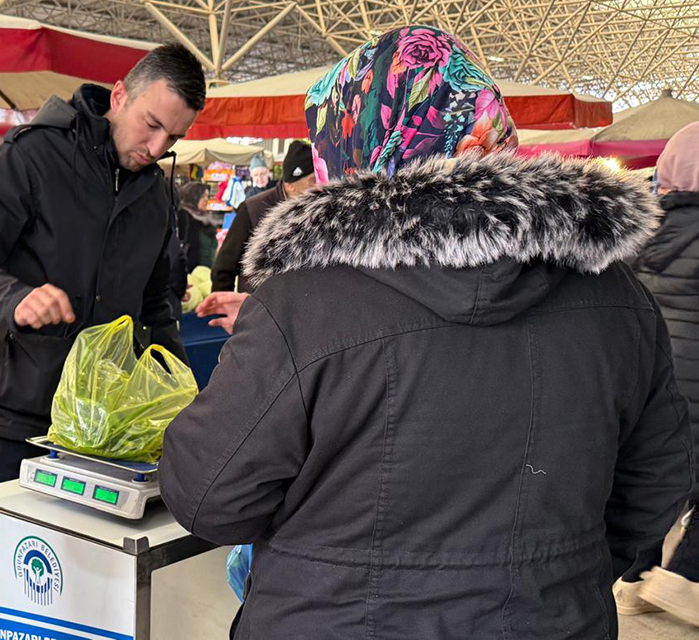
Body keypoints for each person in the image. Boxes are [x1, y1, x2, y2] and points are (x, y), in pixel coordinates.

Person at [159, 26, 692, 639]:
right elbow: (655, 485)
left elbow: (207, 495)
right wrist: (559, 572)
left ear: (350, 143)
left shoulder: (302, 303)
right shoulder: (617, 296)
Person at [0, 43, 206, 487]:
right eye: (152, 125)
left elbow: (156, 305)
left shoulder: (157, 195)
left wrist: (183, 394)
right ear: (119, 96)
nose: (157, 148)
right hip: (23, 414)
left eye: (174, 138)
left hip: (108, 424)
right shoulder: (33, 155)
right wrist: (15, 298)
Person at [621, 121, 699, 626]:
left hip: (650, 386)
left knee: (651, 480)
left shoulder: (639, 233)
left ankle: (634, 576)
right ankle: (685, 578)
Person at [211, 140, 316, 292]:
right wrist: (223, 302)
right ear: (290, 185)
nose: (319, 185)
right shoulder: (253, 209)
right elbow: (225, 266)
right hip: (257, 303)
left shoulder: (319, 211)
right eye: (312, 180)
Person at [175, 181, 220, 271]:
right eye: (203, 196)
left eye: (207, 196)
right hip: (192, 271)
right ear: (194, 196)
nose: (206, 200)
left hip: (207, 270)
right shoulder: (184, 216)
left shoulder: (205, 218)